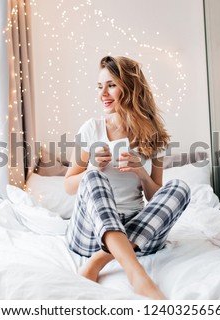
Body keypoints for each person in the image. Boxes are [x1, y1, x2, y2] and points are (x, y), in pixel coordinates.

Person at [64, 56, 190, 299]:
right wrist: (92, 167)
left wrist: (141, 172)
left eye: (111, 85)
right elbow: (69, 186)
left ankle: (101, 259)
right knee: (93, 179)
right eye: (100, 87)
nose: (103, 94)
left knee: (179, 187)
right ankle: (137, 275)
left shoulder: (153, 136)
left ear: (130, 87)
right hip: (90, 234)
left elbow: (157, 196)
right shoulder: (91, 129)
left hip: (138, 230)